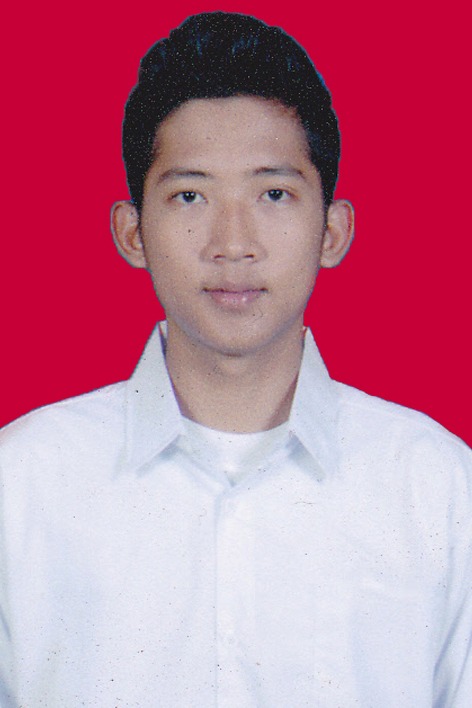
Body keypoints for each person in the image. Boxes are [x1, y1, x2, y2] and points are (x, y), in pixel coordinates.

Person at [0, 11, 470, 707]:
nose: (232, 242)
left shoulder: (438, 488)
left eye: (273, 194)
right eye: (190, 195)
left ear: (332, 230)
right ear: (132, 232)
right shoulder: (21, 484)